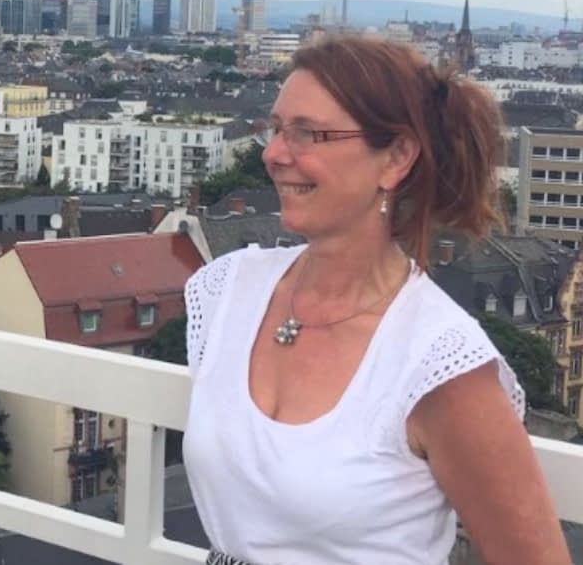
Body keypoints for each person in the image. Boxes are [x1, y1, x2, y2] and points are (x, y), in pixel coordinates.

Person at [182, 36, 571, 565]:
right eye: (276, 129)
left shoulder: (439, 364)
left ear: (396, 157)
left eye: (308, 133)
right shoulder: (226, 292)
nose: (273, 153)